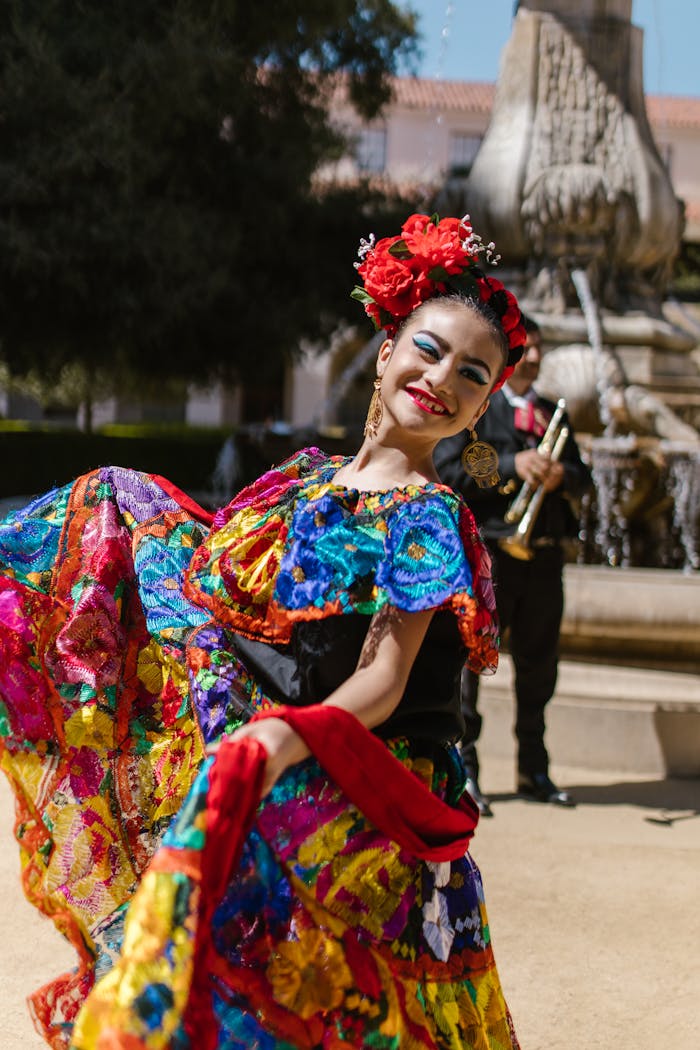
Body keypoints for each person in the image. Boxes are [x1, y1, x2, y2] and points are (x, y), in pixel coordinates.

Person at [0, 213, 526, 1049]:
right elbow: (218, 586)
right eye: (429, 349)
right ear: (386, 348)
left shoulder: (431, 516)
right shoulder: (305, 480)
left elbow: (384, 683)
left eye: (473, 374)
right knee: (111, 499)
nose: (444, 379)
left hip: (364, 786)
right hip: (278, 743)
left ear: (481, 408)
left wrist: (278, 741)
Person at [434, 316, 592, 816]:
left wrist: (560, 474)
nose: (538, 359)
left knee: (540, 664)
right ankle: (468, 770)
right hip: (494, 553)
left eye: (542, 351)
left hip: (544, 555)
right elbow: (455, 467)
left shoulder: (553, 416)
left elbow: (583, 479)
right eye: (530, 351)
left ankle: (533, 768)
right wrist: (512, 466)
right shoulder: (481, 409)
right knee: (470, 669)